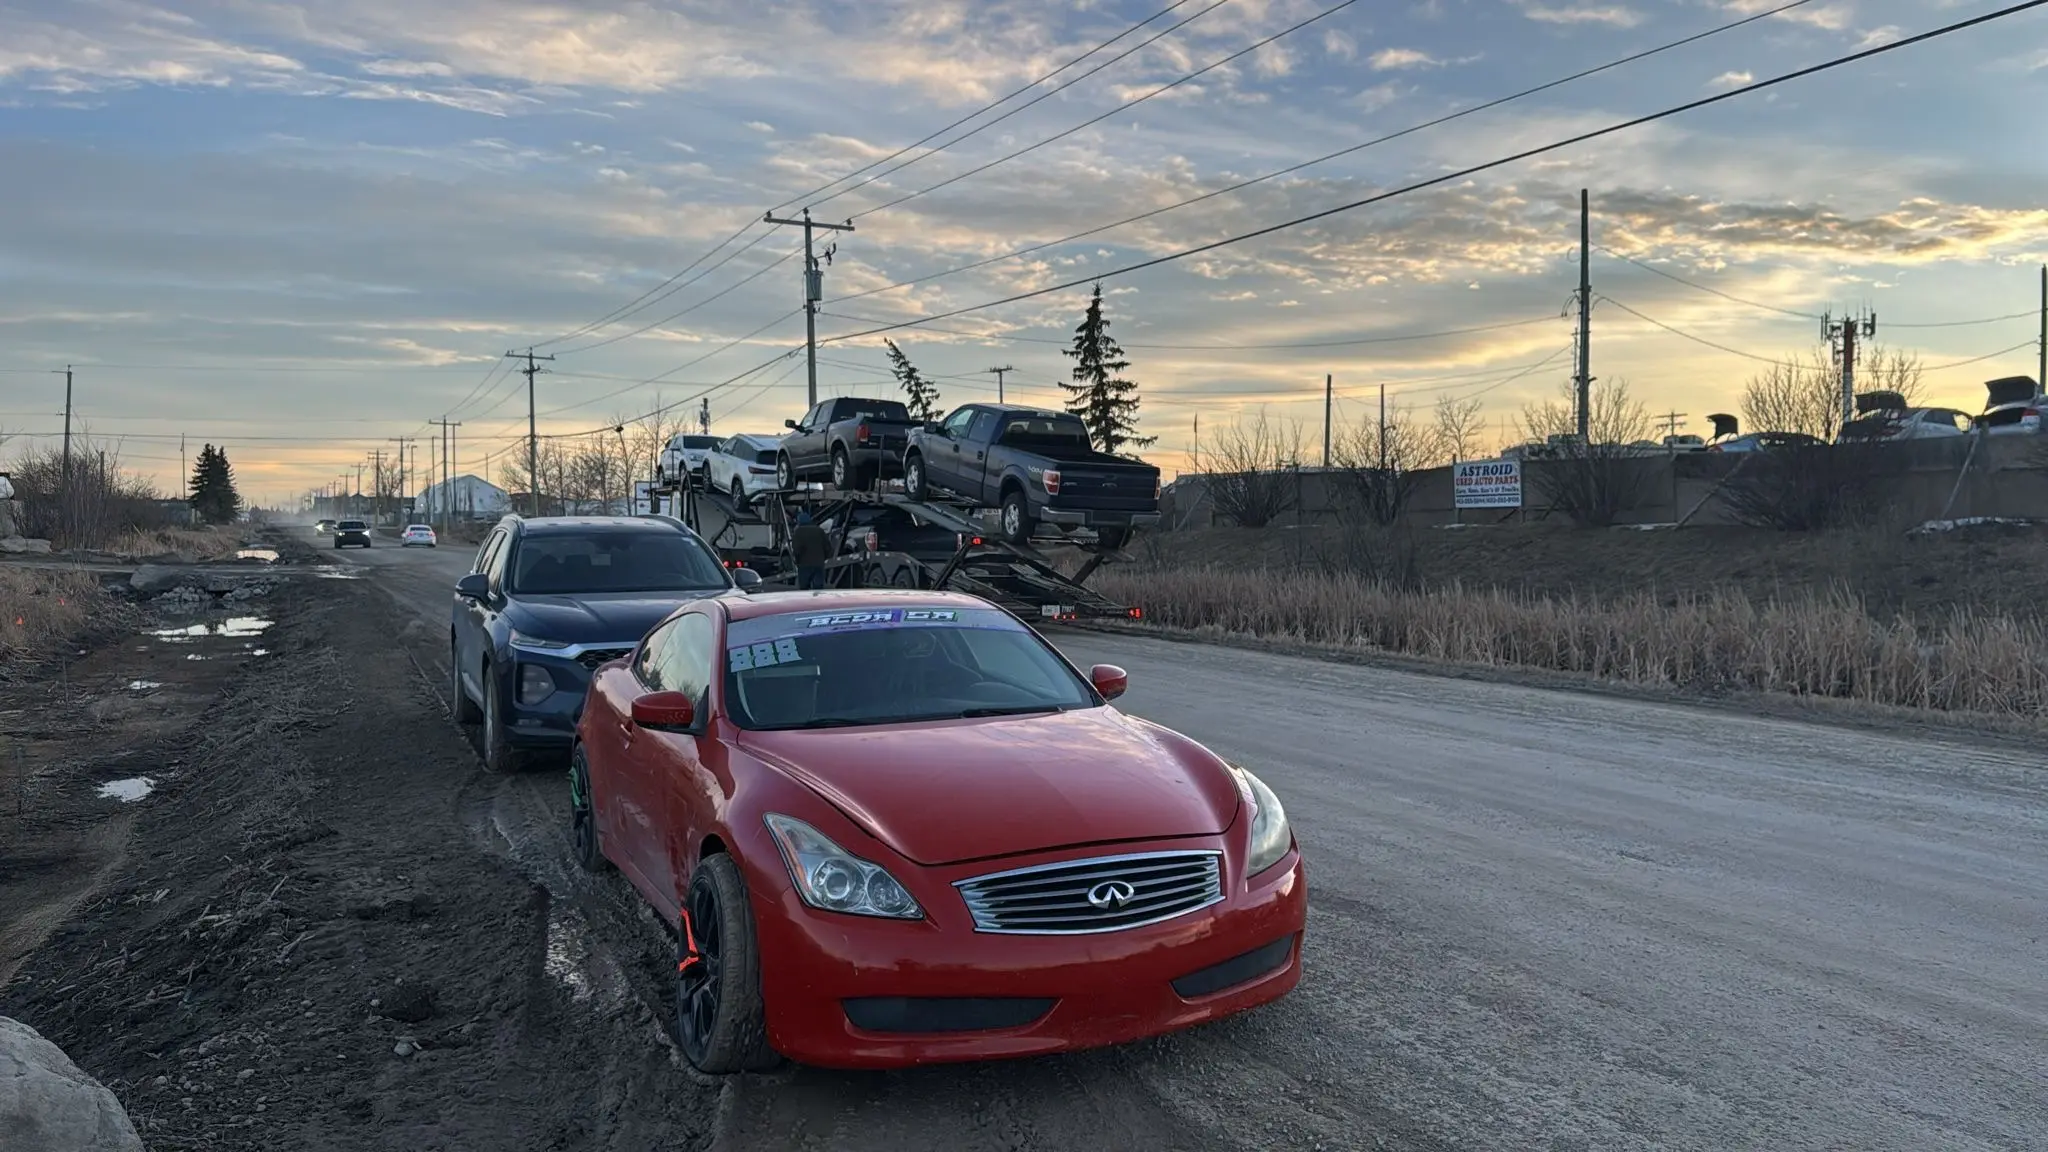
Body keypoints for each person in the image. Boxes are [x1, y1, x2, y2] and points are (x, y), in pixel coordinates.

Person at [791, 509, 830, 590]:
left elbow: (797, 549)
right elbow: (827, 547)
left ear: (799, 521)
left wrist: (797, 561)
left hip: (804, 564)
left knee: (804, 588)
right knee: (818, 587)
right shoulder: (819, 530)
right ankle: (819, 601)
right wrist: (824, 558)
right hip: (819, 563)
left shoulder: (798, 532)